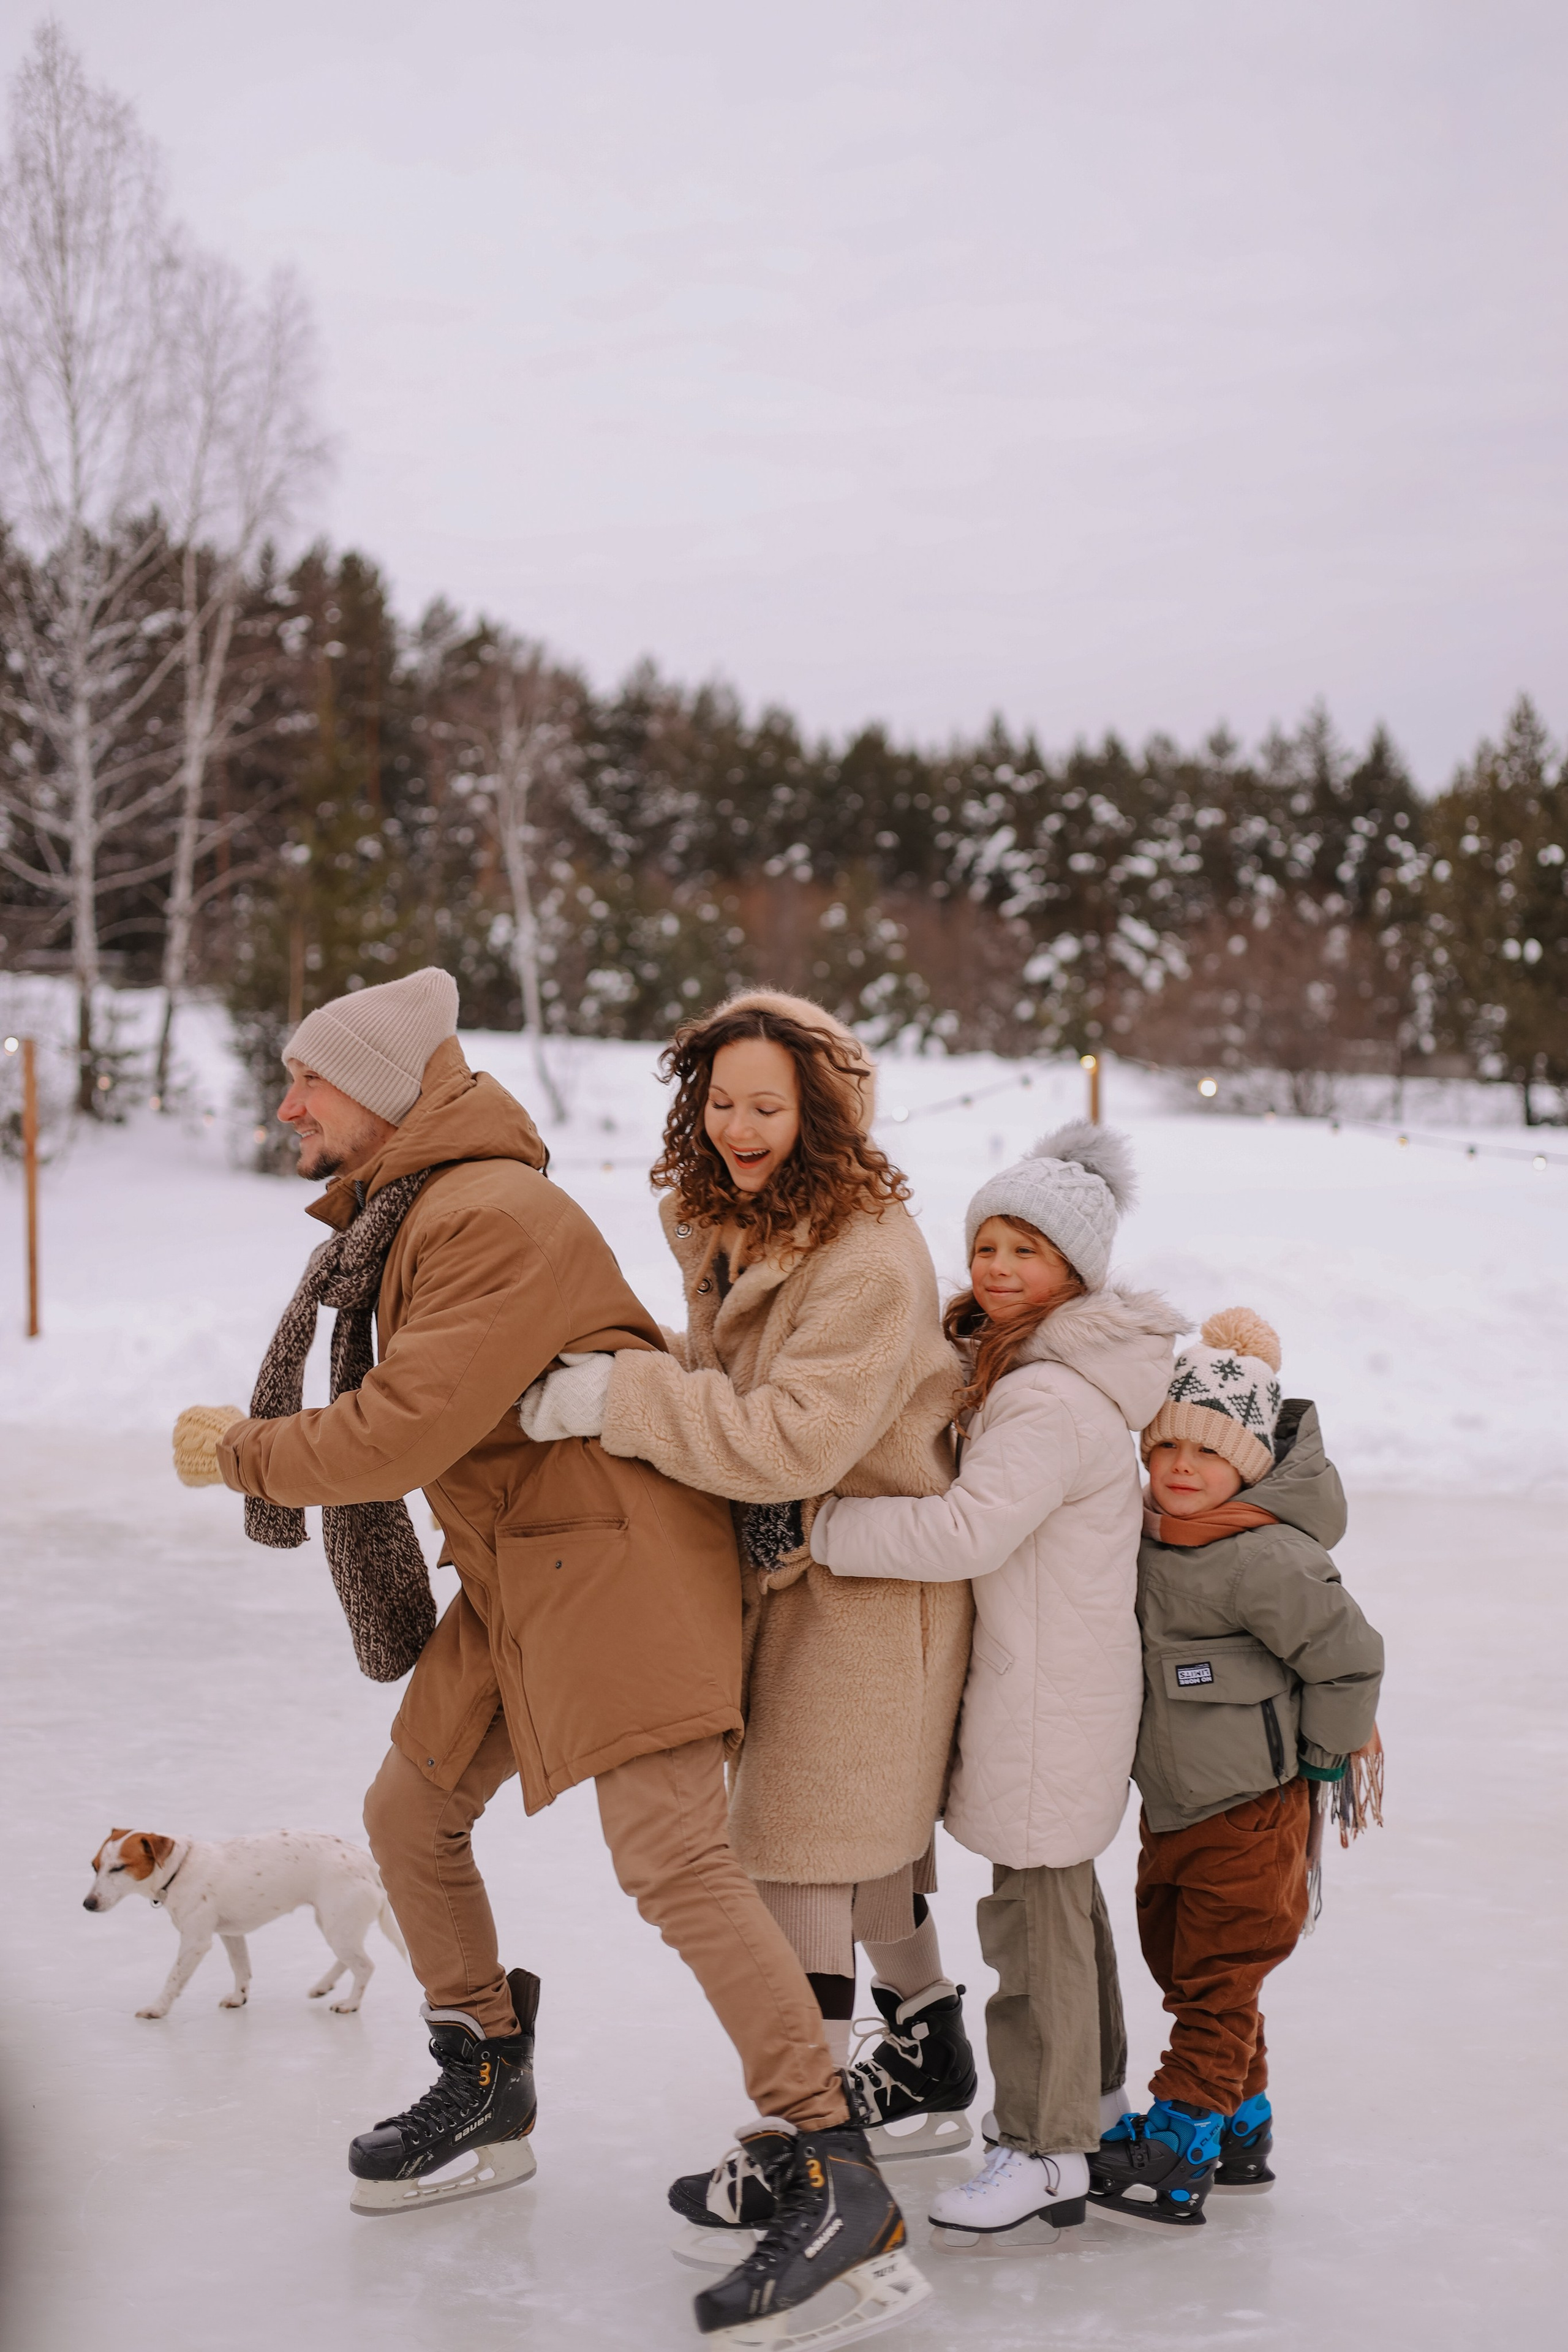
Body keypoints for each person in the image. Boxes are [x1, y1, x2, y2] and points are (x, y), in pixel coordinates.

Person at [172, 968, 926, 2349]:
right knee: (409, 1811)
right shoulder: (418, 1210)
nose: (286, 1106)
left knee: (674, 1867)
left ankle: (835, 2175)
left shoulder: (487, 1218)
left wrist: (242, 1449)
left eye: (309, 1083)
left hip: (621, 1565)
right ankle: (486, 2073)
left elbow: (394, 1432)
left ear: (385, 1097)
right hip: (528, 1562)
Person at [520, 990, 977, 2237]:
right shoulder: (736, 1219)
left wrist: (621, 1402)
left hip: (868, 1586)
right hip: (804, 1569)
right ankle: (932, 2052)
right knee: (864, 1846)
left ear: (824, 1112)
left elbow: (790, 1434)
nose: (736, 1126)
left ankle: (802, 2139)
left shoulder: (868, 1260)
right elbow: (728, 1367)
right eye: (719, 1102)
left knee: (793, 1849)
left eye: (766, 1106)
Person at [809, 1126, 1183, 2245]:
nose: (998, 1265)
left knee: (1036, 1931)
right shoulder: (1030, 1369)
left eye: (1028, 1249)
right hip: (1051, 1690)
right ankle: (1095, 2111)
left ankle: (1045, 2145)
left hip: (1044, 1705)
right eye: (986, 1241)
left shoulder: (1048, 1399)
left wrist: (826, 1529)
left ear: (1077, 1274)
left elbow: (969, 1531)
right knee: (1061, 1912)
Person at [1088, 1308, 1384, 2228]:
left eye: (1208, 1453)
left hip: (1255, 1808)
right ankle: (1240, 2121)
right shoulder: (1143, 1540)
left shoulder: (1266, 1558)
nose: (1182, 1467)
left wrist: (1324, 1762)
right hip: (1174, 1806)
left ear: (1249, 1464)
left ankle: (1178, 2147)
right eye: (1168, 1446)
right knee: (1186, 1964)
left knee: (1218, 1982)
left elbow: (1350, 1657)